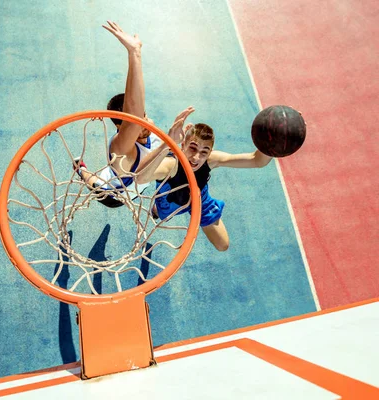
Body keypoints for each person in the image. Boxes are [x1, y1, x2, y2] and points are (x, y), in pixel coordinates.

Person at [74, 21, 192, 207]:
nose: (144, 122)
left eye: (145, 115)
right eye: (136, 121)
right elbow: (134, 117)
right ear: (120, 127)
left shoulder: (151, 132)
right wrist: (134, 53)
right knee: (94, 183)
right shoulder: (120, 148)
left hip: (138, 187)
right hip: (113, 194)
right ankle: (80, 169)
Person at [148, 120, 273, 251]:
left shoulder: (211, 159)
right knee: (161, 214)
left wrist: (275, 141)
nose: (196, 157)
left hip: (200, 198)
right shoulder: (170, 163)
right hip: (171, 202)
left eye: (204, 152)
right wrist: (166, 144)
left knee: (222, 245)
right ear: (183, 145)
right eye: (192, 148)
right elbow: (143, 176)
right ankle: (156, 209)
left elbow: (257, 160)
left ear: (209, 152)